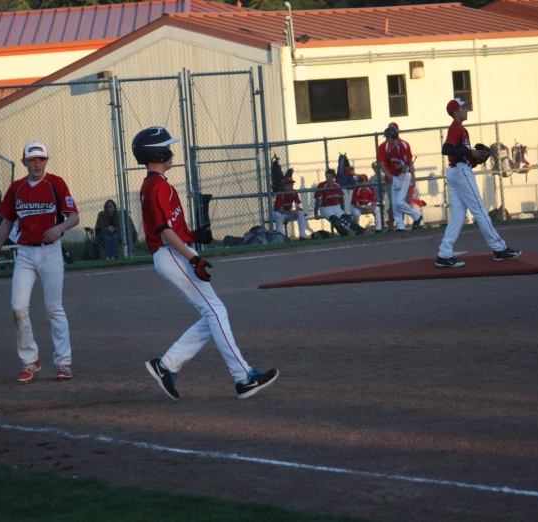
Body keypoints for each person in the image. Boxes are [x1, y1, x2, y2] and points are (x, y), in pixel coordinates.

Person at [133, 126, 278, 400]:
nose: (171, 151)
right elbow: (164, 232)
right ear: (157, 152)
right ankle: (243, 377)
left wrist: (193, 236)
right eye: (167, 146)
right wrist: (193, 257)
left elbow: (169, 227)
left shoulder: (154, 184)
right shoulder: (157, 186)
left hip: (173, 253)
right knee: (215, 312)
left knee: (213, 313)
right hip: (172, 256)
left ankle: (167, 365)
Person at [0, 141, 80, 383]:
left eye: (41, 159)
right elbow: (6, 223)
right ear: (24, 162)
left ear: (46, 161)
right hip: (25, 254)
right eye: (32, 160)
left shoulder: (55, 183)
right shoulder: (16, 188)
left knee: (54, 308)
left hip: (50, 252)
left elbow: (74, 217)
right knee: (18, 307)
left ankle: (63, 362)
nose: (37, 163)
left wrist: (59, 228)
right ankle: (30, 361)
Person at [436, 98, 521, 267]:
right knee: (480, 210)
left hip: (457, 171)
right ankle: (499, 248)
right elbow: (446, 149)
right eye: (463, 108)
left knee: (458, 217)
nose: (466, 109)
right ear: (455, 113)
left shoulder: (461, 130)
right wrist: (470, 152)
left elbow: (461, 155)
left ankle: (444, 254)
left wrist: (474, 157)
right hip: (460, 172)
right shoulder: (456, 128)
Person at [375, 124, 423, 232]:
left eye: (388, 137)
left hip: (403, 176)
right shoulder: (390, 149)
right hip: (396, 177)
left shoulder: (402, 147)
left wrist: (402, 178)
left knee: (399, 202)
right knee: (395, 203)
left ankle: (416, 216)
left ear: (392, 136)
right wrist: (390, 176)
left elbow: (406, 164)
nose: (387, 140)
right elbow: (383, 162)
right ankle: (400, 225)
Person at [314, 169, 366, 236]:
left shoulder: (337, 184)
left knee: (346, 219)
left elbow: (341, 199)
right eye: (327, 177)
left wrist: (343, 210)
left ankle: (361, 230)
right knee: (336, 221)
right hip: (325, 208)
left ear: (333, 177)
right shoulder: (322, 185)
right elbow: (318, 200)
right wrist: (315, 213)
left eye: (330, 177)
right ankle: (346, 234)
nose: (328, 178)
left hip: (336, 206)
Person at [273, 176, 308, 240]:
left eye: (292, 184)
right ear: (284, 185)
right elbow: (279, 209)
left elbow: (298, 205)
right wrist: (289, 213)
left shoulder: (294, 192)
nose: (291, 186)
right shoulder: (280, 193)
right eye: (289, 184)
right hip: (279, 212)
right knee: (278, 215)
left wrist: (296, 212)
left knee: (300, 213)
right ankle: (279, 238)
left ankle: (303, 236)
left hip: (288, 212)